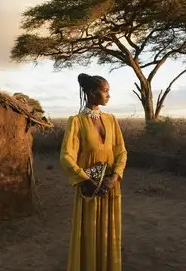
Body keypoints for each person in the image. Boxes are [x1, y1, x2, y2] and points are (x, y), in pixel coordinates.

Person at [60, 73, 128, 271]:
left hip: (111, 188)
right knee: (89, 234)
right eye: (105, 91)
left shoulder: (111, 120)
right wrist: (85, 179)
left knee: (109, 234)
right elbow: (66, 156)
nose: (109, 95)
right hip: (89, 191)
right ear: (91, 92)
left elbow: (121, 151)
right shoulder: (76, 122)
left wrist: (114, 177)